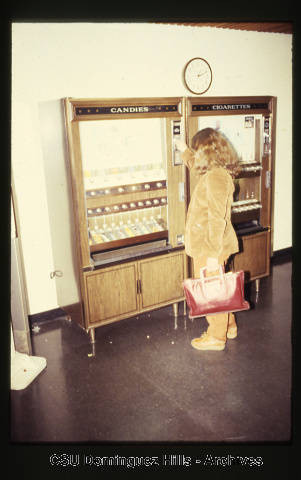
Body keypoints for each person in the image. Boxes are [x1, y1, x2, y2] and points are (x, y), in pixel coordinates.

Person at [175, 128, 241, 351]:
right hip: (210, 243)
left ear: (206, 152)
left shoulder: (216, 177)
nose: (196, 154)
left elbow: (216, 219)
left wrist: (212, 255)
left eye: (197, 150)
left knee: (211, 291)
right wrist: (185, 151)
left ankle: (216, 336)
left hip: (209, 245)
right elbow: (197, 166)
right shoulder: (214, 171)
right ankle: (229, 327)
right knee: (218, 286)